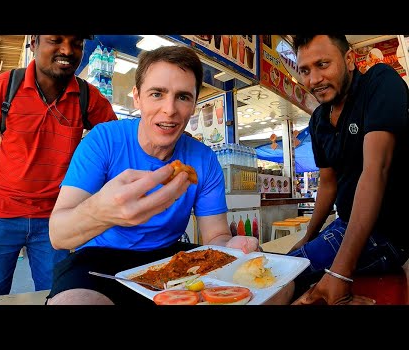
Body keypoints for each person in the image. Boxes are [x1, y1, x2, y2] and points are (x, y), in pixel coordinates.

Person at [46, 45, 290, 305]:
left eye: (183, 97)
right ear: (137, 98)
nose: (169, 109)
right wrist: (102, 212)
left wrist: (234, 246)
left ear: (194, 104)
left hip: (172, 260)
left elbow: (215, 237)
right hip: (100, 260)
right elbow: (59, 236)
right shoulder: (103, 141)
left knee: (281, 288)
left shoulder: (204, 159)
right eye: (157, 94)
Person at [0, 35, 118, 298]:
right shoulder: (5, 87)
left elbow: (116, 141)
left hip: (55, 219)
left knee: (55, 294)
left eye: (76, 44)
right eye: (56, 40)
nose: (67, 50)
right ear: (34, 43)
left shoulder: (87, 97)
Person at [288, 35, 409, 305]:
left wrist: (340, 273)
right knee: (283, 267)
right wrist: (308, 236)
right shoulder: (319, 119)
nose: (314, 79)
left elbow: (376, 169)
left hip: (386, 235)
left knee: (283, 277)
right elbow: (328, 185)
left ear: (350, 59)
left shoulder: (380, 83)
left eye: (323, 64)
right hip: (344, 226)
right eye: (305, 70)